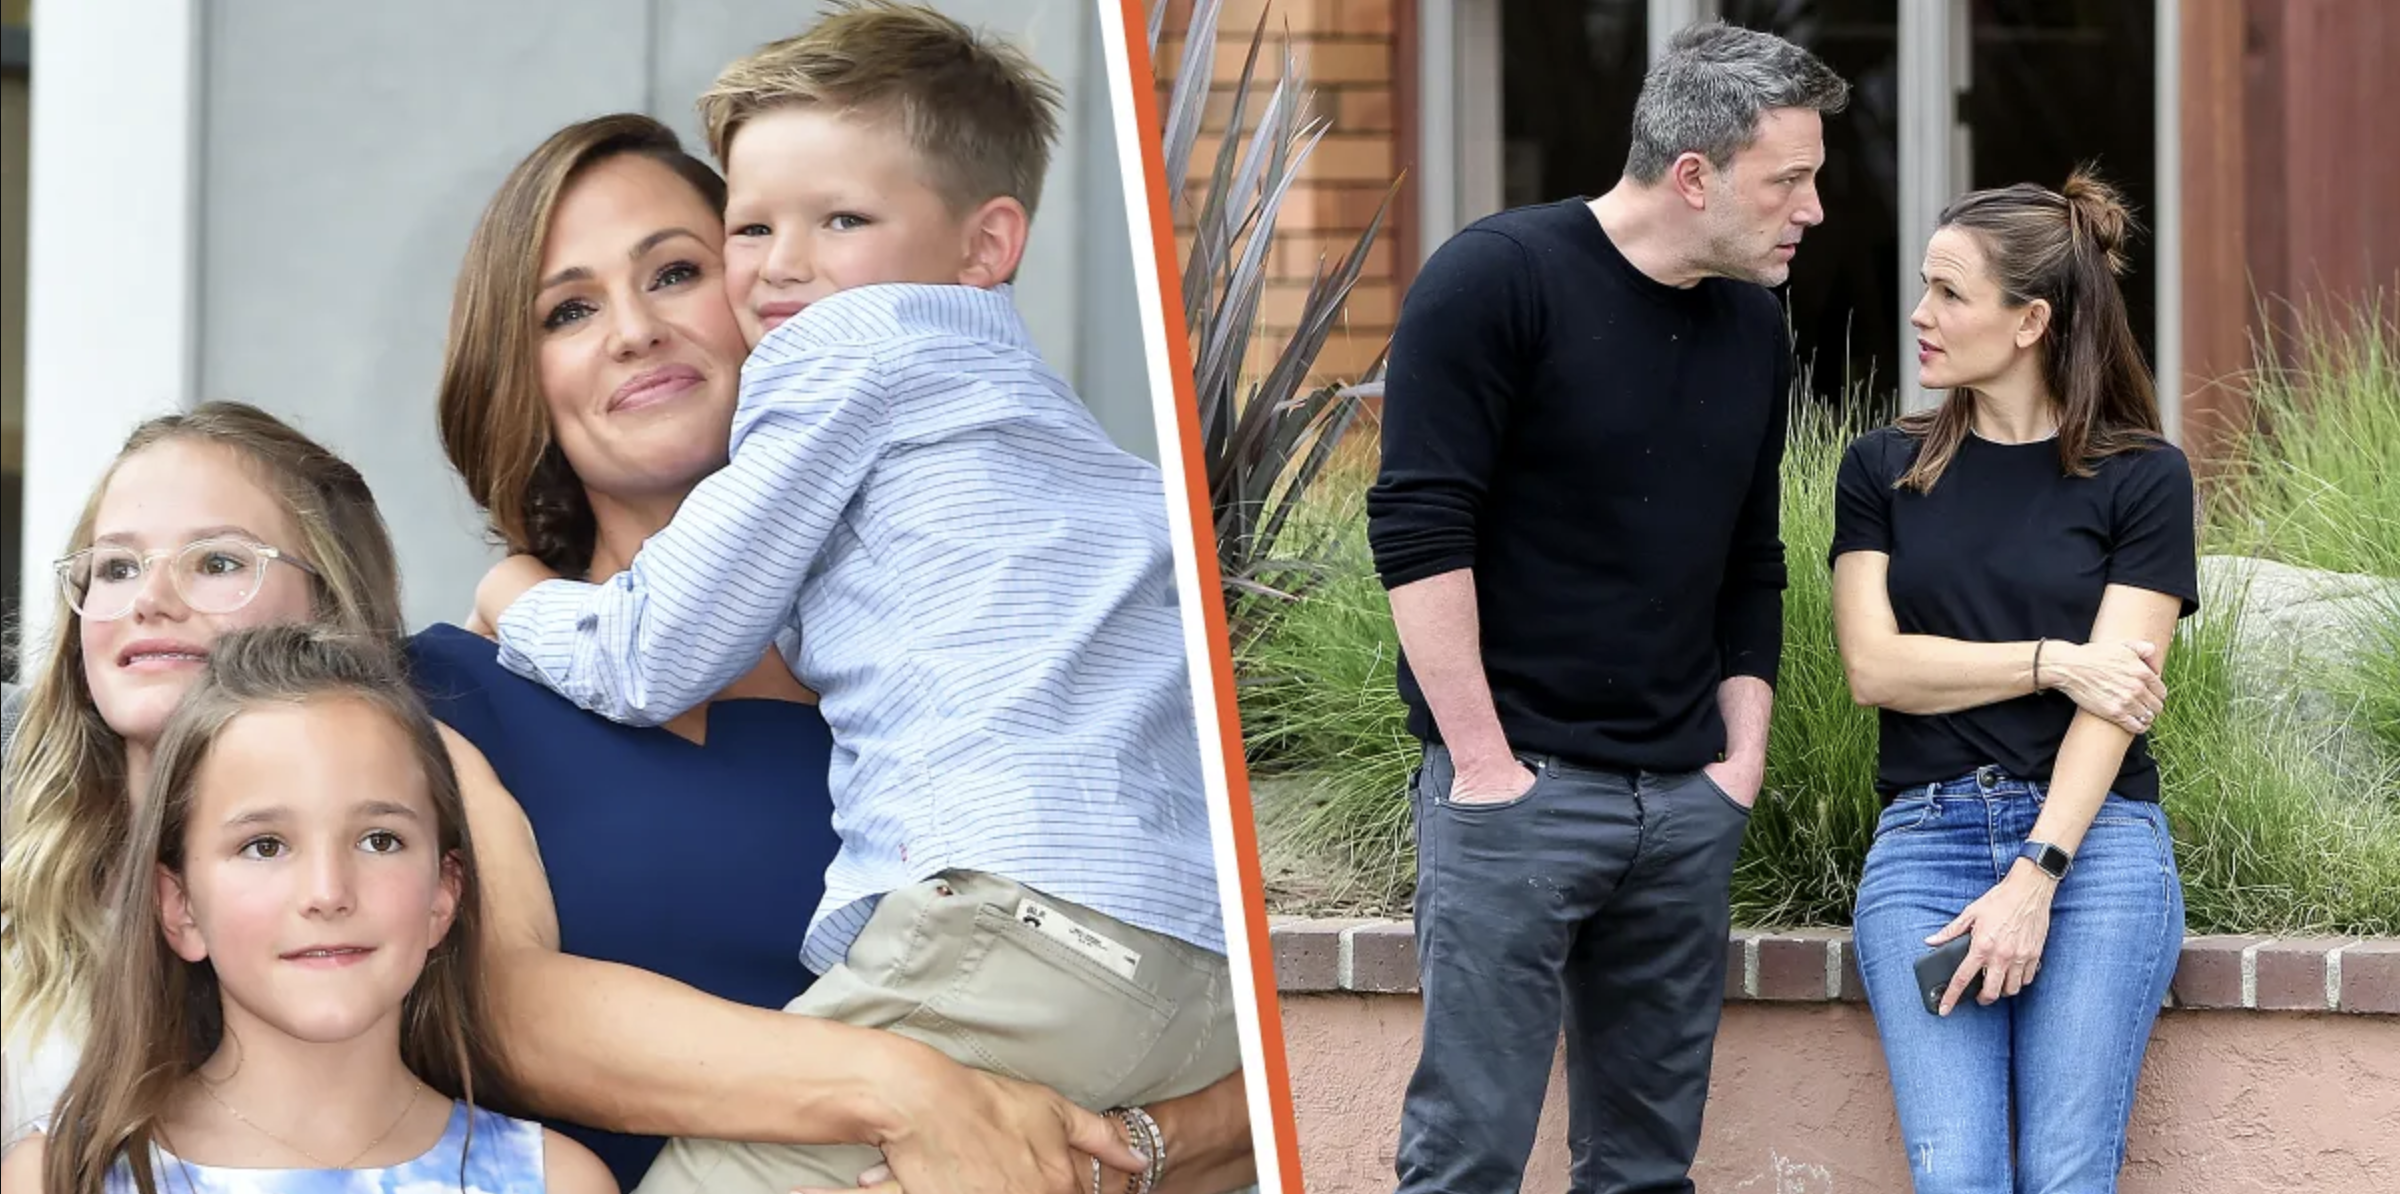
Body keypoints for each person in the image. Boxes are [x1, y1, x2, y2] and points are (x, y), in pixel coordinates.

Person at [429, 107, 1249, 1194]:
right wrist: (908, 1095)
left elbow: (1222, 964)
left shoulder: (998, 647)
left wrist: (1126, 1154)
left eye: (676, 272)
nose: (633, 330)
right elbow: (511, 1013)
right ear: (519, 379)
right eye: (570, 309)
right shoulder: (455, 687)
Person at [1364, 22, 1848, 1194]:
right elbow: (1420, 532)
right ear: (1695, 176)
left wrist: (1738, 762)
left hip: (1682, 805)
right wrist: (1482, 766)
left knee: (1645, 1168)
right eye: (1791, 179)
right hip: (1517, 793)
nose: (1816, 210)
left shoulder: (1751, 320)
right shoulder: (1497, 279)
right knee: (1467, 1158)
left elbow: (1752, 555)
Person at [1833, 172, 2196, 1193]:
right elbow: (1875, 669)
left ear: (2031, 319)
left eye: (1950, 292)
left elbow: (2116, 704)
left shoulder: (2143, 478)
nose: (1921, 314)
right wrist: (2051, 659)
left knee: (2068, 1173)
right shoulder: (1883, 470)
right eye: (1924, 288)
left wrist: (2036, 875)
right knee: (1957, 1177)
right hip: (1925, 848)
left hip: (2097, 856)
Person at [0, 625, 615, 1194]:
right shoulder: (59, 1178)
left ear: (444, 892)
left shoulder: (555, 1181)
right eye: (264, 846)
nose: (327, 892)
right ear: (180, 905)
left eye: (379, 840)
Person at [3, 402, 408, 1154]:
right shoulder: (15, 871)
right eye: (117, 567)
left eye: (218, 562)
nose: (150, 600)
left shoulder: (402, 869)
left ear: (333, 604)